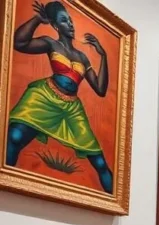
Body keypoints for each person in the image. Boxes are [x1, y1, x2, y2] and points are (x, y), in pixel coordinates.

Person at [7, 1, 117, 192]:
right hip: (45, 97)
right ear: (56, 26)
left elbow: (100, 89)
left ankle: (113, 196)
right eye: (64, 21)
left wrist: (104, 56)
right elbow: (19, 43)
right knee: (15, 136)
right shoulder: (51, 44)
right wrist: (37, 20)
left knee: (99, 162)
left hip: (72, 108)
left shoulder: (82, 57)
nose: (71, 24)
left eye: (71, 20)